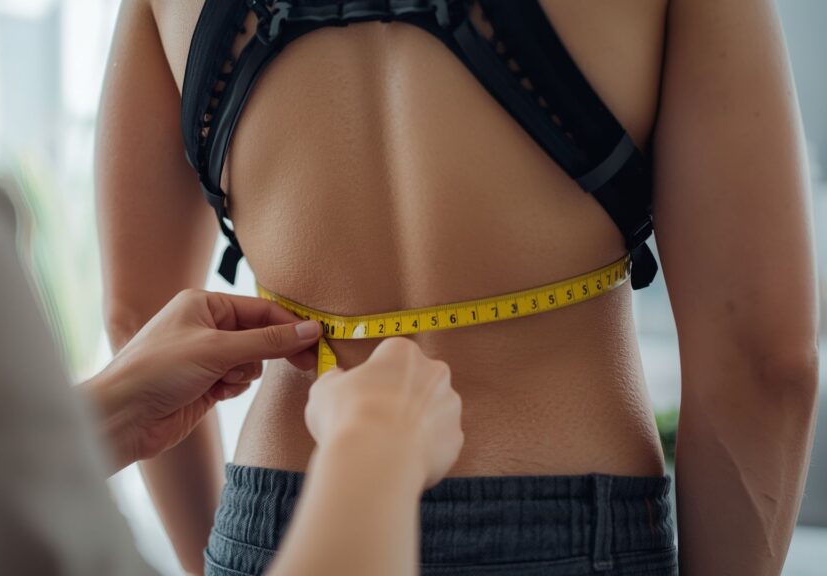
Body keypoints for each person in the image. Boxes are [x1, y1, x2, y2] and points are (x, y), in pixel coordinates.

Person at [97, 0, 819, 574]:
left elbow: (141, 321)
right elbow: (765, 361)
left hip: (283, 520)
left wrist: (220, 561)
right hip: (577, 519)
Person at [0, 1, 465, 575]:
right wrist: (375, 442)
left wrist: (196, 545)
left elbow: (135, 310)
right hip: (462, 469)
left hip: (279, 508)